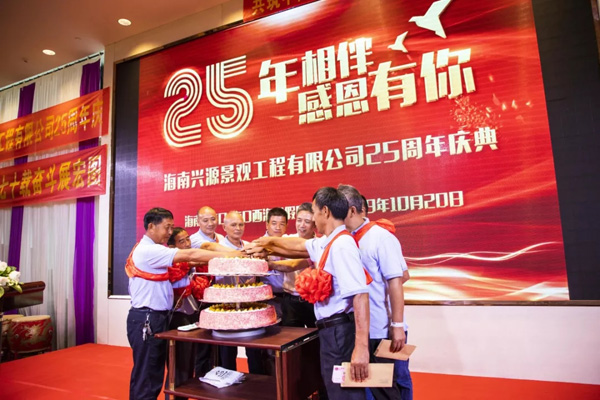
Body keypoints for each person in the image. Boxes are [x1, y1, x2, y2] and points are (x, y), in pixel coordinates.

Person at [246, 188, 370, 399]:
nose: (312, 219)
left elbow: (360, 296)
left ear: (325, 211)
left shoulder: (342, 245)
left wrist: (361, 348)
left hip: (340, 331)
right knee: (334, 387)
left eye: (313, 212)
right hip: (331, 330)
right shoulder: (329, 241)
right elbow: (298, 245)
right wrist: (265, 243)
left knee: (344, 392)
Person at [126, 207, 241, 400]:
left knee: (156, 373)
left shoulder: (152, 249)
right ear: (151, 226)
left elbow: (192, 259)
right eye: (167, 227)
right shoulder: (149, 250)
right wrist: (234, 255)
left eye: (172, 227)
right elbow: (190, 255)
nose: (170, 232)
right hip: (147, 318)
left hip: (157, 317)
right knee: (147, 376)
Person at [340, 186, 412, 400]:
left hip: (382, 328)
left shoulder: (380, 237)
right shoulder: (345, 239)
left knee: (389, 386)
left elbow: (397, 281)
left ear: (352, 210)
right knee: (366, 386)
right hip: (357, 328)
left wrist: (397, 325)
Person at [165, 228, 212, 399]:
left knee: (189, 363)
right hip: (177, 317)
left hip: (192, 314)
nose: (186, 244)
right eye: (181, 241)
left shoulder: (193, 264)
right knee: (178, 365)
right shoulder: (171, 265)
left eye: (187, 239)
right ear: (172, 246)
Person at [272, 202, 317, 328]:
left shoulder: (319, 243)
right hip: (290, 300)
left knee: (315, 336)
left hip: (312, 300)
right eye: (299, 220)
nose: (302, 225)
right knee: (291, 337)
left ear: (314, 224)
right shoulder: (287, 240)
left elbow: (292, 265)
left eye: (307, 222)